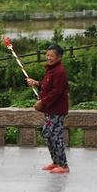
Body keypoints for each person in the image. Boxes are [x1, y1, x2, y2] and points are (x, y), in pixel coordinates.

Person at [27, 44, 70, 174]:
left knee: (55, 136)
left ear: (59, 57)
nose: (48, 57)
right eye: (47, 55)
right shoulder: (51, 70)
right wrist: (37, 83)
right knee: (47, 134)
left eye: (51, 55)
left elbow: (56, 92)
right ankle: (56, 161)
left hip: (57, 110)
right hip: (50, 109)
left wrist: (42, 103)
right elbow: (47, 86)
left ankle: (64, 165)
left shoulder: (60, 72)